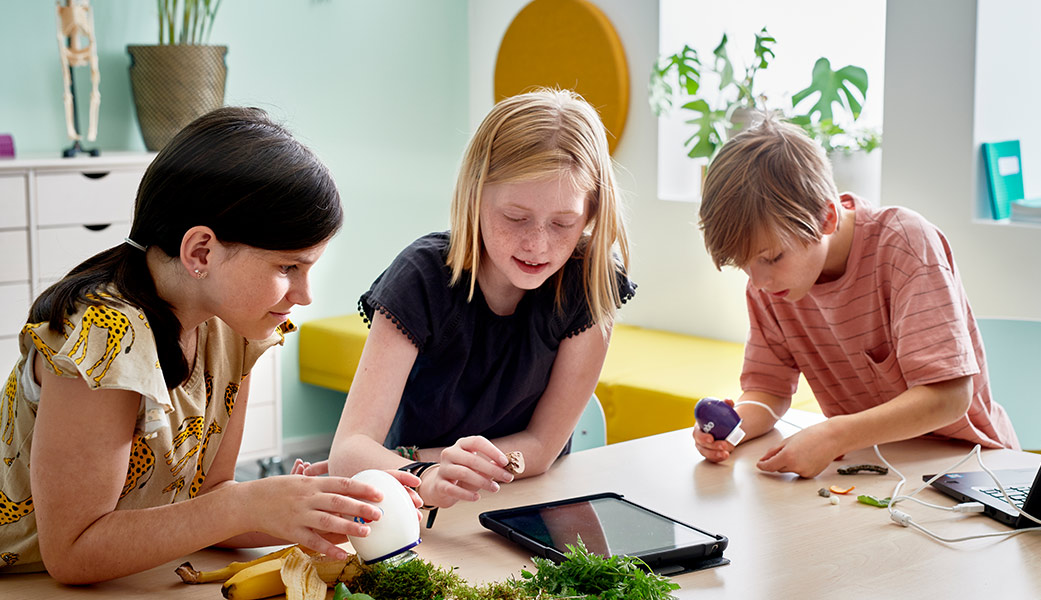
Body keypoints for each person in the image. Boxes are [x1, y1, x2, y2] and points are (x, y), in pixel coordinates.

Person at [0, 107, 420, 583]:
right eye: (289, 269)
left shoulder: (231, 328)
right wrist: (244, 506)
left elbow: (208, 501)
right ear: (201, 251)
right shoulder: (104, 337)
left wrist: (302, 504)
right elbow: (73, 553)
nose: (305, 296)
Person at [319, 89, 634, 515]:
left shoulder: (591, 280)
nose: (537, 244)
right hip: (417, 507)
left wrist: (416, 465)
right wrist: (426, 474)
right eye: (515, 217)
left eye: (563, 223)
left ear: (592, 212)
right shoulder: (420, 278)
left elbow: (541, 448)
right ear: (475, 196)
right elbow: (351, 448)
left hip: (521, 501)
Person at [692, 118, 1018, 478]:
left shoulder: (904, 243)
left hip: (974, 469)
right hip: (872, 472)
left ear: (826, 218)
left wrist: (835, 435)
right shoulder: (771, 285)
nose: (758, 280)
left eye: (771, 258)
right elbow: (766, 388)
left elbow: (950, 397)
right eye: (744, 264)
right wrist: (734, 427)